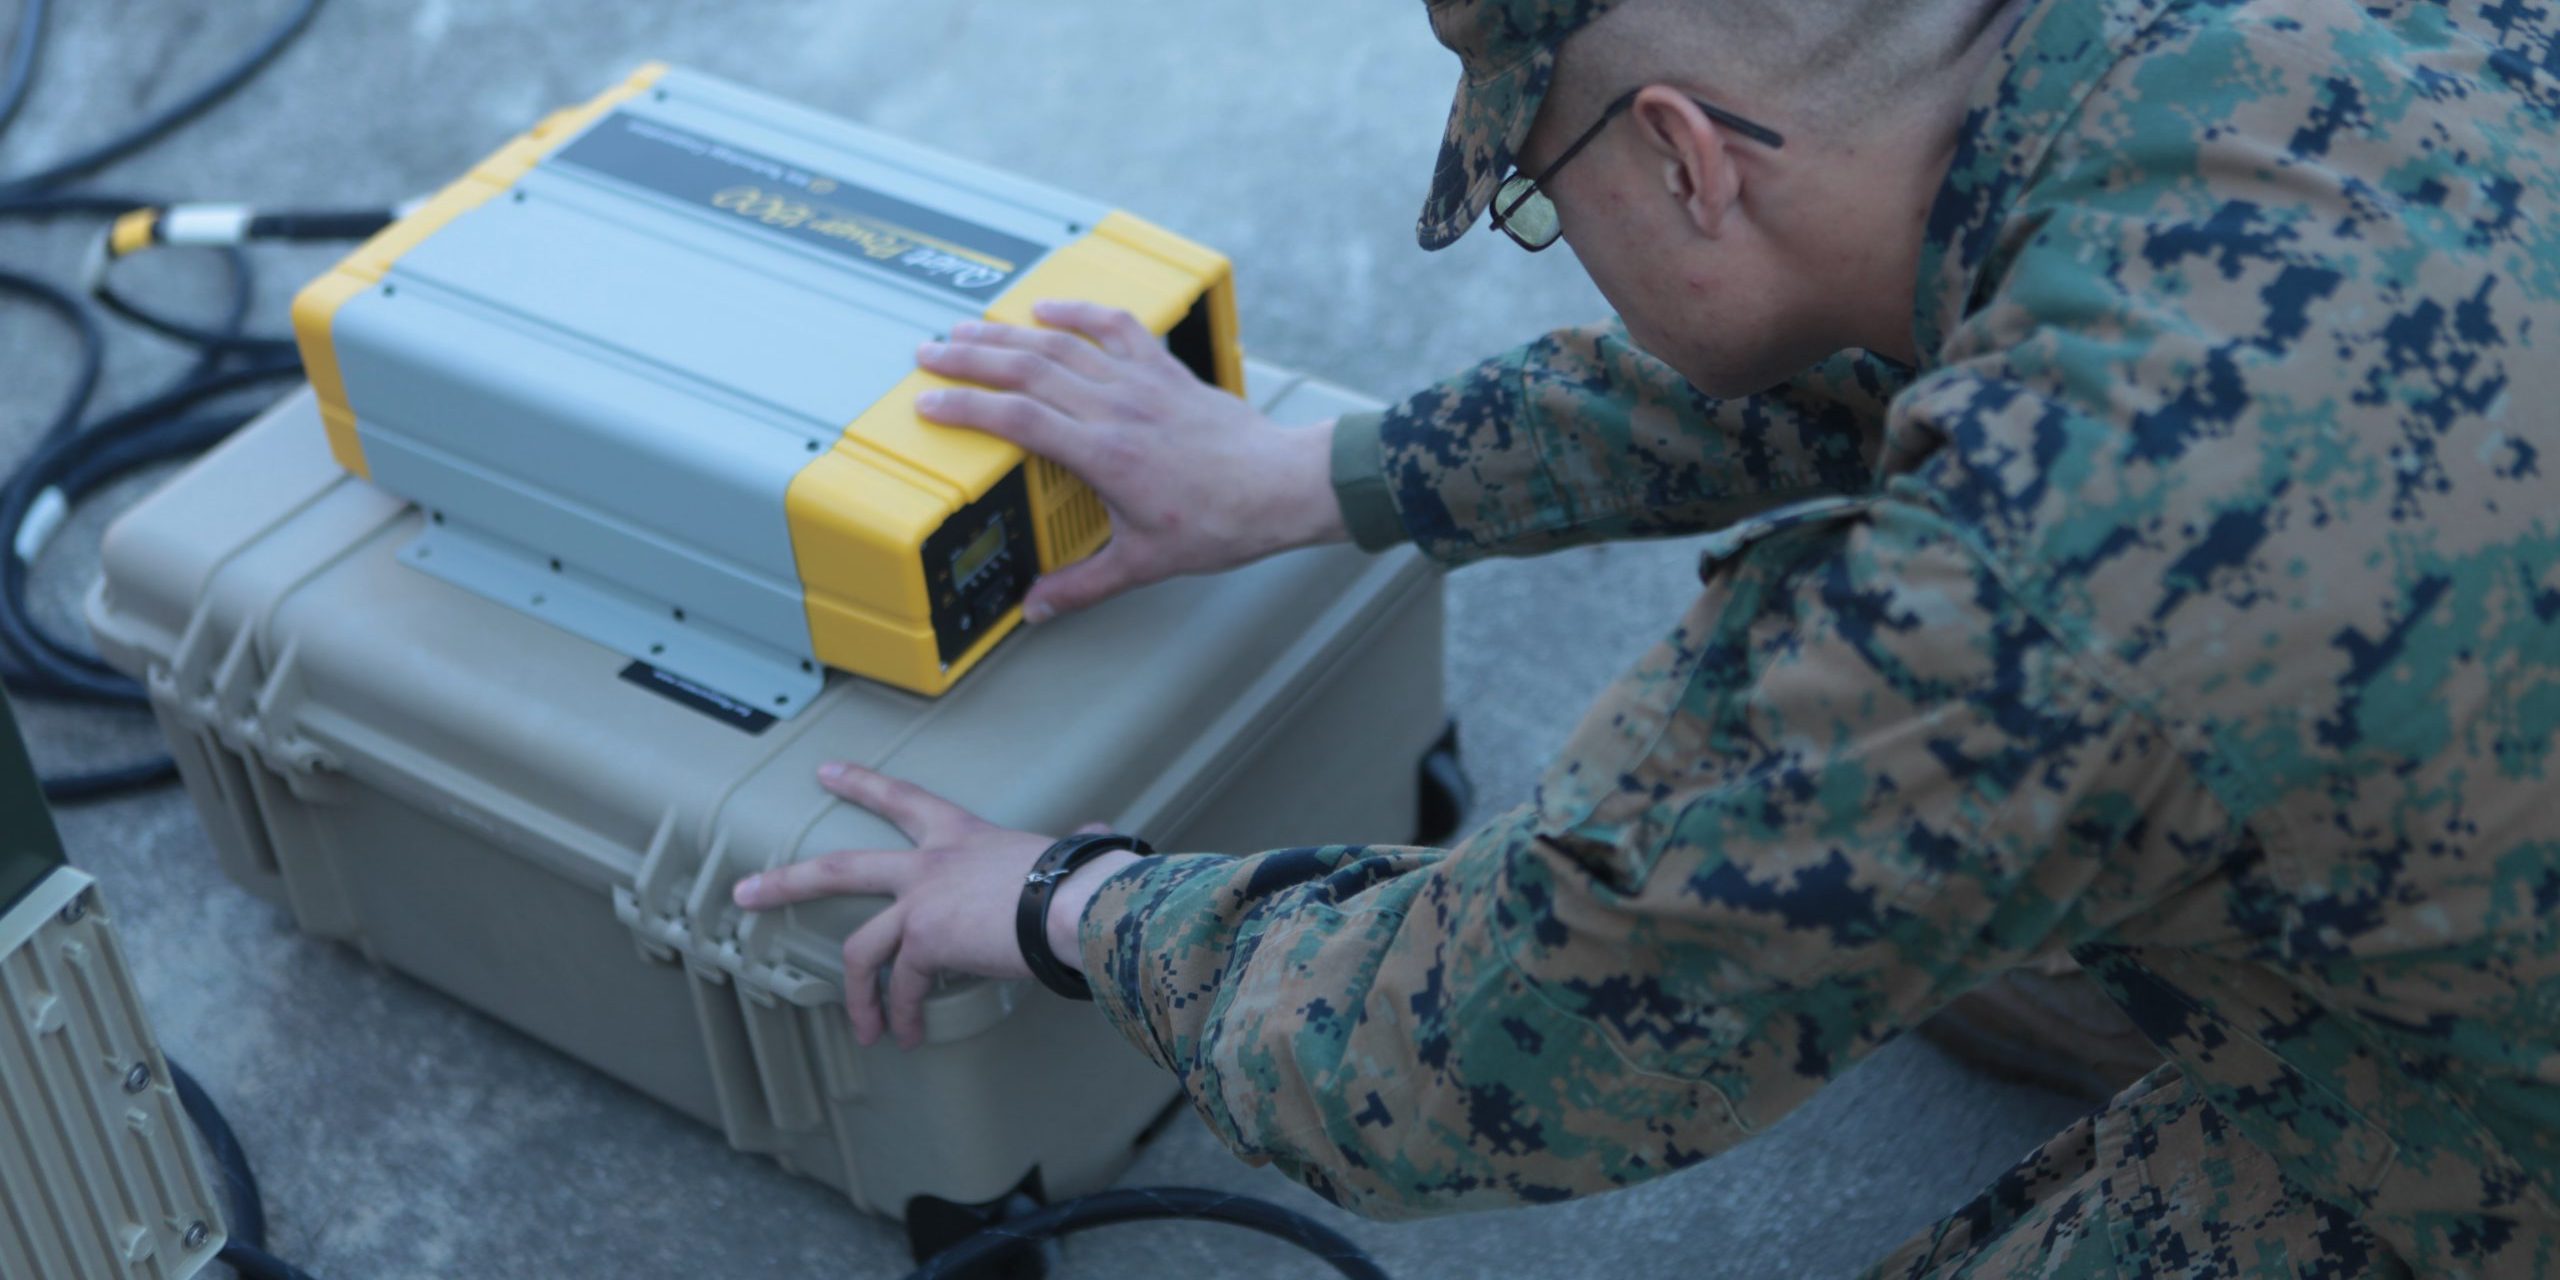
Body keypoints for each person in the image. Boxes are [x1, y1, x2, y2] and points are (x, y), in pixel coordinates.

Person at [731, 0, 2560, 1272]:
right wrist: (1321, 477)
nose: (1561, 233)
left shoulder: (2005, 618)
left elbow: (1450, 1058)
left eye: (1539, 192)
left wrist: (1069, 904)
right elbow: (1879, 345)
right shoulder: (2244, 58)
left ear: (1681, 158)